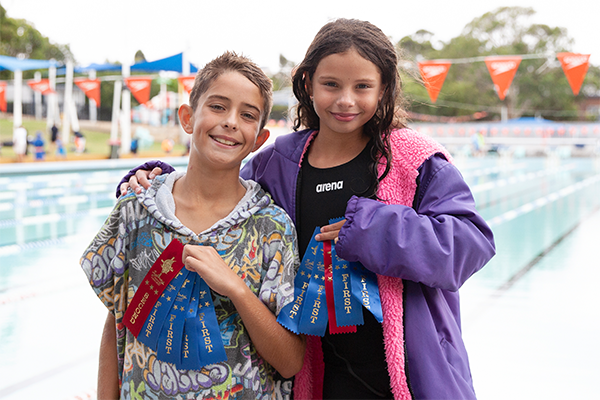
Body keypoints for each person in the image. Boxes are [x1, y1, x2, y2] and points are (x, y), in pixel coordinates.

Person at [118, 19, 496, 400]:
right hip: (319, 380)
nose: (345, 100)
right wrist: (158, 182)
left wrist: (373, 228)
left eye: (362, 86)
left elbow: (470, 244)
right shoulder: (280, 163)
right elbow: (221, 191)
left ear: (383, 90)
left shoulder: (412, 161)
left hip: (412, 377)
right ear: (308, 84)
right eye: (331, 84)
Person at [81, 51, 305, 400]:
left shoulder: (271, 227)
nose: (231, 121)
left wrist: (238, 290)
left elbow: (290, 362)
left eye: (247, 115)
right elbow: (116, 324)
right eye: (218, 106)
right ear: (187, 117)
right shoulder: (136, 211)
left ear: (259, 138)